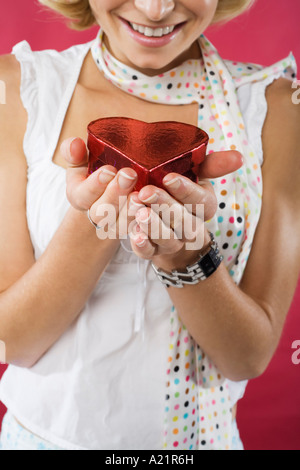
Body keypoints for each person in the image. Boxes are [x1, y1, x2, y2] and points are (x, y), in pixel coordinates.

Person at [0, 0, 299, 451]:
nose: (154, 9)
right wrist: (94, 222)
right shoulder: (17, 88)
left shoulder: (279, 106)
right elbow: (11, 341)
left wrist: (186, 256)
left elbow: (248, 357)